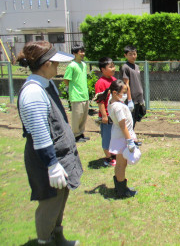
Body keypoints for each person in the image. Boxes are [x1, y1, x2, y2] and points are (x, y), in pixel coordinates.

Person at [17, 41, 83, 245]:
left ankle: (58, 237)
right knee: (49, 204)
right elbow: (40, 134)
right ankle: (44, 241)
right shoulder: (33, 93)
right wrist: (52, 165)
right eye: (55, 64)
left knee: (60, 200)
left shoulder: (46, 84)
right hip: (48, 161)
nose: (58, 68)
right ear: (45, 64)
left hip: (60, 157)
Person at [95, 79, 140, 198]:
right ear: (115, 93)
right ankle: (122, 191)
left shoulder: (111, 102)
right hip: (122, 137)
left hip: (119, 136)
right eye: (123, 92)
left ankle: (120, 187)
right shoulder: (118, 107)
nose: (125, 95)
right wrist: (129, 140)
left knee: (121, 164)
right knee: (121, 164)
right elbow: (122, 125)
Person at [63, 44, 90, 143]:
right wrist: (70, 89)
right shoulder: (71, 65)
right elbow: (66, 79)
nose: (83, 54)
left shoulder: (83, 64)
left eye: (83, 51)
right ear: (74, 53)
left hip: (84, 95)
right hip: (76, 95)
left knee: (83, 116)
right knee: (76, 117)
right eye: (80, 52)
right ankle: (75, 135)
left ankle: (81, 133)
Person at [94, 57, 117, 167]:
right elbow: (100, 101)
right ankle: (108, 159)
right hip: (107, 116)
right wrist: (104, 115)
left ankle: (114, 155)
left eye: (113, 66)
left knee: (114, 136)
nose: (113, 68)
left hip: (114, 115)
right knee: (107, 137)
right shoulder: (100, 83)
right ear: (103, 69)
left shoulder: (113, 80)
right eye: (110, 66)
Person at [120, 45, 146, 130]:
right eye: (130, 54)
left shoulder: (137, 67)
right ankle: (129, 140)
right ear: (125, 55)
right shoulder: (125, 67)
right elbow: (126, 84)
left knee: (136, 118)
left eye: (134, 54)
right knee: (130, 120)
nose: (133, 56)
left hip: (139, 98)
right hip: (132, 99)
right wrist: (130, 100)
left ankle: (131, 138)